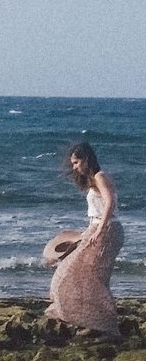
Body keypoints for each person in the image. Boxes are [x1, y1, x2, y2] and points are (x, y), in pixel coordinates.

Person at [46, 141, 124, 337]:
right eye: (73, 163)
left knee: (86, 277)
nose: (75, 167)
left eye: (76, 162)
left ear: (87, 159)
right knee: (86, 276)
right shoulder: (94, 179)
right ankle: (95, 321)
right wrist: (89, 231)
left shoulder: (100, 176)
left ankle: (107, 326)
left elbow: (110, 202)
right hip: (99, 228)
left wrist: (99, 230)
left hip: (107, 231)